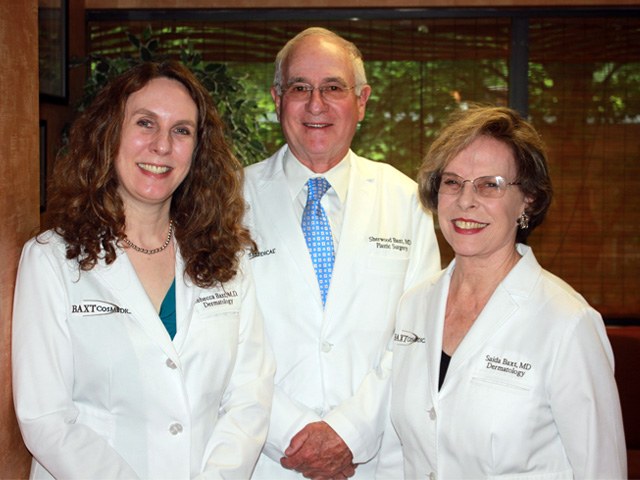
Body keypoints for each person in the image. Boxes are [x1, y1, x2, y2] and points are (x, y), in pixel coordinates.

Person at [12, 61, 274, 479]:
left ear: (198, 150)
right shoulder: (51, 260)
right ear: (109, 132)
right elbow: (45, 417)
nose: (162, 146)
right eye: (145, 123)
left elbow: (249, 398)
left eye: (182, 130)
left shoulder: (227, 258)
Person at [243, 27, 441, 480]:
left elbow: (416, 339)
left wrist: (348, 432)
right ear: (277, 98)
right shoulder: (228, 201)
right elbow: (219, 341)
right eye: (300, 88)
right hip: (266, 457)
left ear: (363, 100)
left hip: (373, 459)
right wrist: (293, 433)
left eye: (333, 87)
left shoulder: (407, 201)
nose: (317, 104)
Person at [391, 105, 627, 479]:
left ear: (528, 199)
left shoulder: (568, 323)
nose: (466, 201)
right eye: (452, 182)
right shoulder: (415, 305)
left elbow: (602, 470)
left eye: (490, 185)